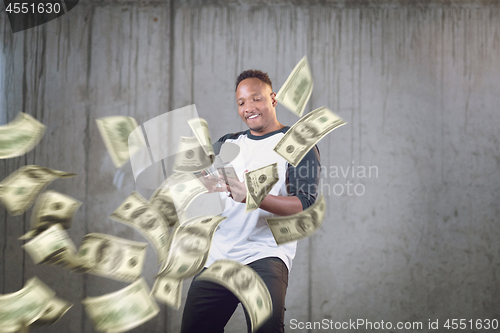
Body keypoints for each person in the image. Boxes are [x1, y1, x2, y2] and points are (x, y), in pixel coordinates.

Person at [180, 70, 321, 333]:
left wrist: (254, 196)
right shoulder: (228, 143)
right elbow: (201, 180)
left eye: (256, 99)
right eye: (241, 102)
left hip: (264, 255)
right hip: (220, 257)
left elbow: (304, 203)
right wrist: (200, 183)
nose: (248, 108)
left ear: (273, 99)